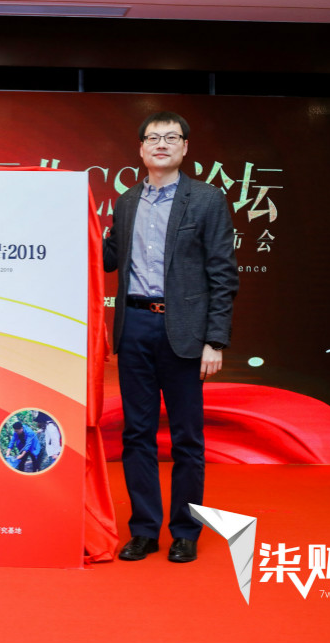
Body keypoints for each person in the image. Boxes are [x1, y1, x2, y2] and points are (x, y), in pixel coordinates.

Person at [103, 111, 238, 563]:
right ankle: (144, 530)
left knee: (186, 439)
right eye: (153, 138)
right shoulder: (126, 202)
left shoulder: (206, 199)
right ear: (141, 149)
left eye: (171, 137)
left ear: (185, 147)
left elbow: (223, 275)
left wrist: (214, 340)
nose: (161, 144)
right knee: (137, 435)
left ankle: (185, 531)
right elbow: (107, 257)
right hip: (135, 327)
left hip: (183, 331)